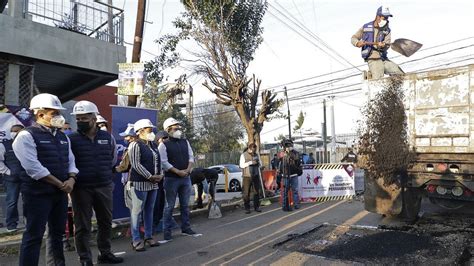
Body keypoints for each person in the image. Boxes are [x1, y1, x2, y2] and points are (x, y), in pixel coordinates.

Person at [13, 93, 78, 266]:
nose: (59, 117)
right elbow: (33, 168)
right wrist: (60, 183)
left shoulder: (63, 136)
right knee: (34, 235)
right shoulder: (26, 136)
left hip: (60, 194)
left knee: (57, 234)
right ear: (40, 114)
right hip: (37, 194)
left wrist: (71, 179)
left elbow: (70, 160)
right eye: (54, 113)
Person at [68, 100, 123, 265]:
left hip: (104, 186)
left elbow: (112, 159)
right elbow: (69, 162)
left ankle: (105, 253)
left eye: (84, 118)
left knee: (105, 221)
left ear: (94, 118)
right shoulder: (72, 139)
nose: (80, 121)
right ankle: (85, 259)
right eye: (78, 118)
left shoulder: (107, 137)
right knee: (82, 226)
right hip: (81, 188)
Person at [158, 117, 200, 242]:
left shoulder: (185, 142)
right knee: (169, 206)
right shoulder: (163, 145)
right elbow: (164, 162)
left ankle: (186, 228)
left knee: (185, 205)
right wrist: (177, 172)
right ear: (168, 130)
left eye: (178, 127)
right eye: (176, 127)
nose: (179, 129)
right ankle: (167, 233)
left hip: (186, 178)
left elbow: (191, 157)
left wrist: (187, 170)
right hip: (171, 179)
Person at [128, 119, 162, 251]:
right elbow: (136, 164)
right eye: (149, 129)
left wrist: (160, 175)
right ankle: (136, 239)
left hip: (153, 184)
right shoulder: (135, 145)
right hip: (139, 184)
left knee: (149, 211)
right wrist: (150, 176)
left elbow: (159, 162)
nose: (152, 131)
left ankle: (148, 236)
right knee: (136, 213)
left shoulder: (153, 145)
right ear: (140, 131)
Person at [351, 6, 404, 80]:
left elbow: (387, 44)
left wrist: (383, 46)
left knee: (400, 74)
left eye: (387, 18)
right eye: (384, 18)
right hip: (373, 59)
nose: (386, 20)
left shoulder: (387, 30)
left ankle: (393, 90)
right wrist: (357, 43)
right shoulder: (366, 27)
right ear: (378, 16)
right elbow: (354, 38)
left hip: (383, 58)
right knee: (378, 81)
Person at [0, 124, 24, 232]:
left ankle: (29, 222)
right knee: (12, 201)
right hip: (11, 179)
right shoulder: (4, 145)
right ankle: (11, 225)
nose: (14, 133)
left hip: (26, 177)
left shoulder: (27, 143)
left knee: (29, 200)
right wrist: (8, 172)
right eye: (12, 131)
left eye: (17, 131)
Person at [279, 139, 303, 211]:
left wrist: (290, 155)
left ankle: (296, 204)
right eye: (287, 146)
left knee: (295, 190)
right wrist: (284, 154)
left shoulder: (295, 153)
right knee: (285, 191)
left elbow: (297, 160)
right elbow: (279, 160)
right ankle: (284, 205)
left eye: (290, 145)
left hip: (294, 174)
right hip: (285, 174)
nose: (288, 147)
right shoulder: (282, 153)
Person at [239, 143, 263, 214]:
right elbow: (241, 165)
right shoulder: (243, 155)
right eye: (252, 150)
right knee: (246, 193)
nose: (253, 151)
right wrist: (250, 162)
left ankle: (257, 207)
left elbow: (260, 164)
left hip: (255, 175)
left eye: (254, 150)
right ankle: (247, 208)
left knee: (256, 192)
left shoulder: (256, 154)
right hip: (247, 176)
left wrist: (260, 165)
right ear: (249, 148)